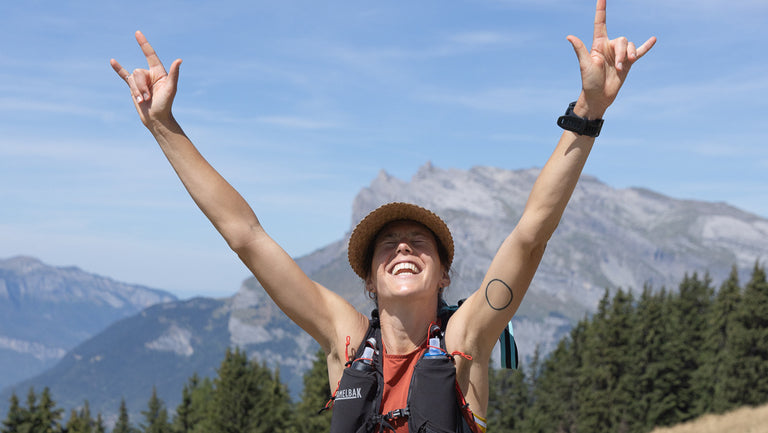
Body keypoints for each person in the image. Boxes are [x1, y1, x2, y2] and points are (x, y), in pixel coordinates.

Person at [110, 1, 655, 431]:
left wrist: (588, 113)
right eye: (387, 244)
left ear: (444, 276)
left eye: (419, 241)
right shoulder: (345, 341)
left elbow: (531, 234)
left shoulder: (466, 341)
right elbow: (246, 236)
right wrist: (164, 126)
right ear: (369, 281)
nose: (403, 247)